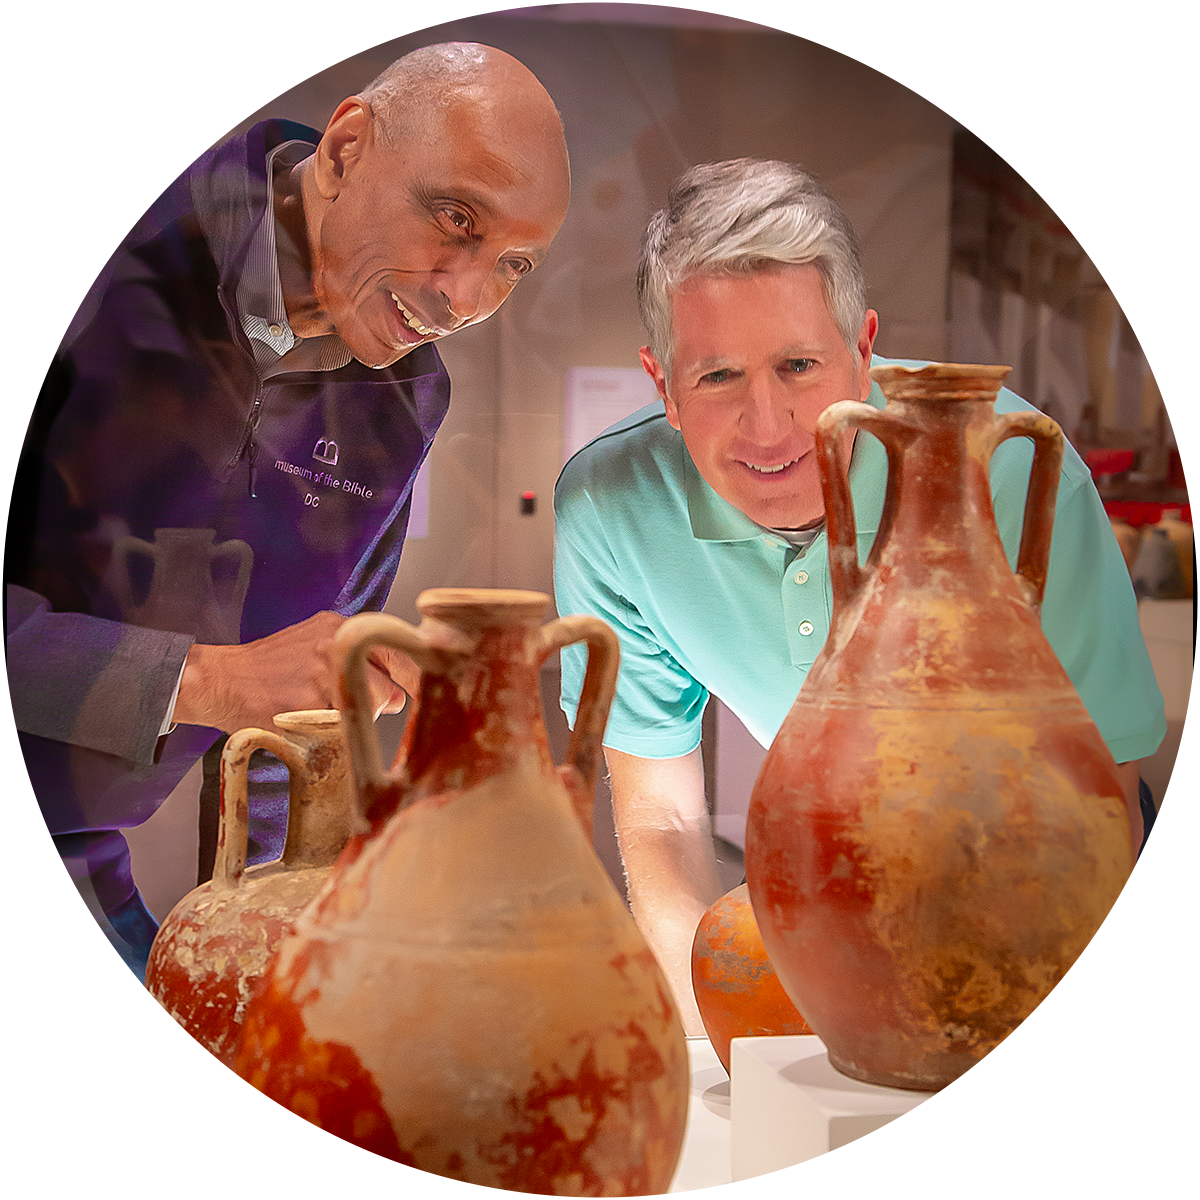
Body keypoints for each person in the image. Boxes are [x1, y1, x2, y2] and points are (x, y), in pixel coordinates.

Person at [553, 158, 1166, 1034]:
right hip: (835, 858)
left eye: (800, 365)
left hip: (1054, 850)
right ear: (662, 385)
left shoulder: (1012, 466)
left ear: (864, 350)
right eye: (718, 377)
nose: (767, 429)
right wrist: (730, 1058)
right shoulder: (612, 508)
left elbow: (1100, 787)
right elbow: (658, 818)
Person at [5, 42, 571, 976]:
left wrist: (274, 917)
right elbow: (238, 686)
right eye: (455, 219)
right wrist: (206, 682)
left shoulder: (406, 397)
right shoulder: (96, 239)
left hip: (78, 862)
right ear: (347, 149)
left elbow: (290, 708)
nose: (465, 298)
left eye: (511, 263)